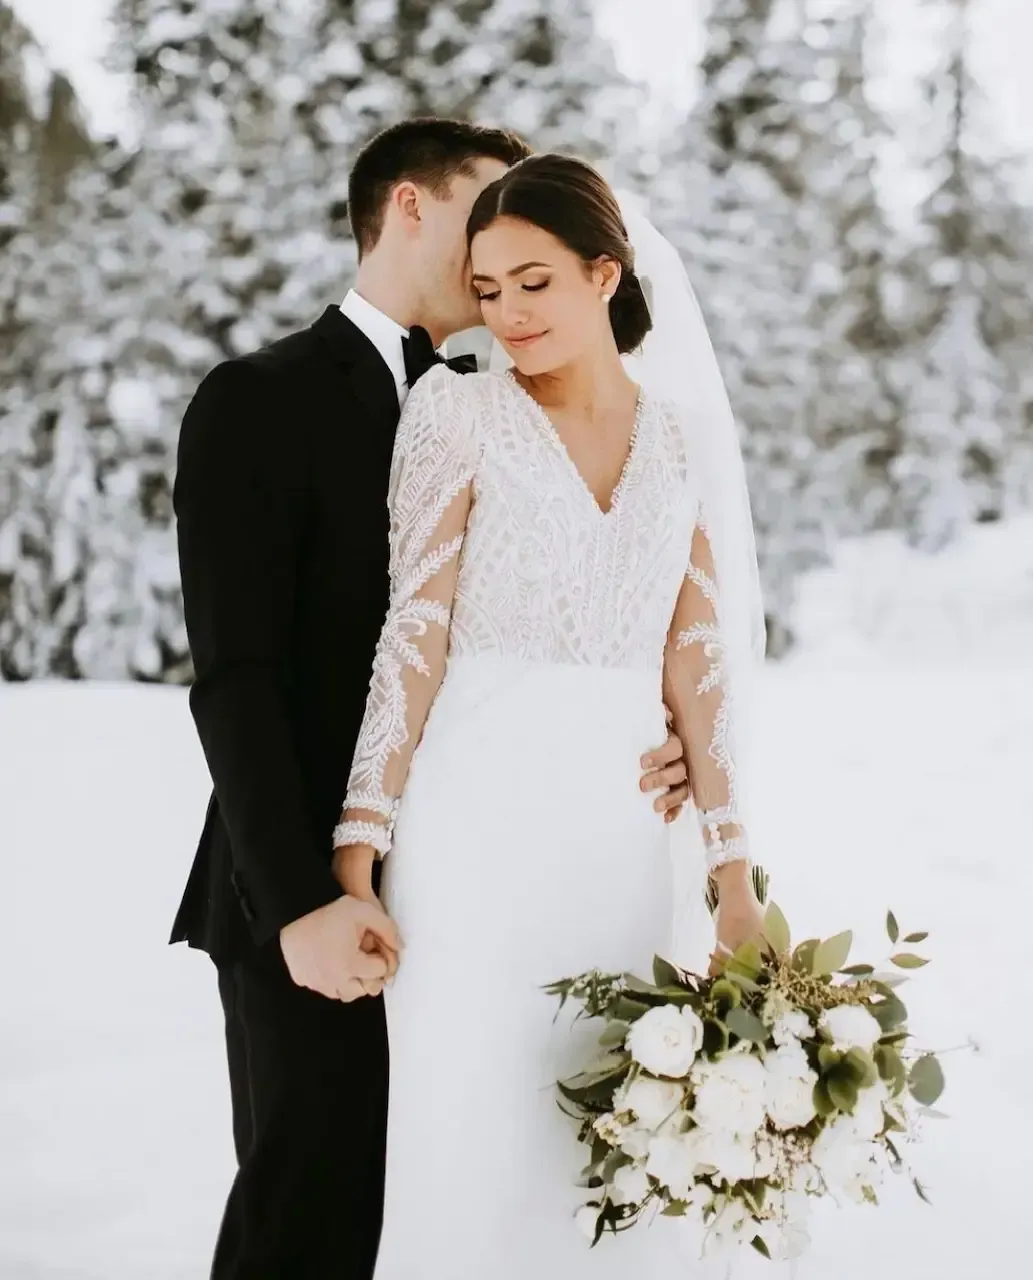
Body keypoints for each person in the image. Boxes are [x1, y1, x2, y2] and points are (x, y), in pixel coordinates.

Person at [169, 121, 692, 1278]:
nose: (501, 243)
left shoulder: (508, 406)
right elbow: (237, 678)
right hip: (305, 891)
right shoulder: (259, 399)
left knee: (466, 1213)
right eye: (482, 207)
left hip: (488, 890)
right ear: (409, 207)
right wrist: (300, 896)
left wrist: (642, 732)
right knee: (312, 1214)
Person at [331, 152, 769, 1278]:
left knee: (599, 1142)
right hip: (469, 832)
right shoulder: (455, 408)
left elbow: (697, 656)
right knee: (469, 1132)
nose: (506, 313)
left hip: (616, 838)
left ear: (603, 273)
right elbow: (413, 631)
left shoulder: (676, 438)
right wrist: (358, 848)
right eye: (484, 289)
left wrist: (732, 875)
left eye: (533, 282)